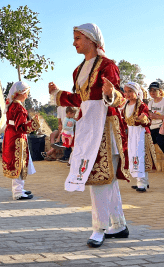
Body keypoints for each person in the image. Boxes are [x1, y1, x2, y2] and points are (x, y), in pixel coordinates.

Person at [49, 23, 129, 248]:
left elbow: (119, 99)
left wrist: (111, 93)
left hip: (104, 127)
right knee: (106, 179)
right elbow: (79, 100)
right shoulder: (78, 70)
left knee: (99, 178)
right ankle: (119, 224)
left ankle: (99, 228)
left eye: (77, 38)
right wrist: (58, 94)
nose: (74, 43)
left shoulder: (108, 66)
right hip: (87, 127)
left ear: (92, 40)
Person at [2, 82, 39, 200]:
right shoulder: (18, 107)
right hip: (17, 137)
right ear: (21, 93)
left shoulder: (12, 105)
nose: (27, 96)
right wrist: (34, 123)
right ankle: (18, 192)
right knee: (18, 163)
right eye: (26, 93)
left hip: (12, 135)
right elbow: (22, 127)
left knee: (18, 162)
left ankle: (19, 189)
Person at [122, 82, 157, 192]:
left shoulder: (142, 105)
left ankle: (142, 183)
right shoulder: (126, 106)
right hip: (131, 135)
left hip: (141, 134)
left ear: (137, 93)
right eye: (125, 91)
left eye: (130, 91)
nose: (127, 94)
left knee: (141, 157)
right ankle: (141, 181)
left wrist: (143, 118)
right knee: (134, 157)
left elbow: (147, 122)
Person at [147, 82, 164, 146]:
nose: (152, 92)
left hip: (162, 128)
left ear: (160, 91)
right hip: (152, 128)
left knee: (160, 141)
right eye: (150, 90)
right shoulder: (150, 102)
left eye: (154, 90)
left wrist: (157, 116)